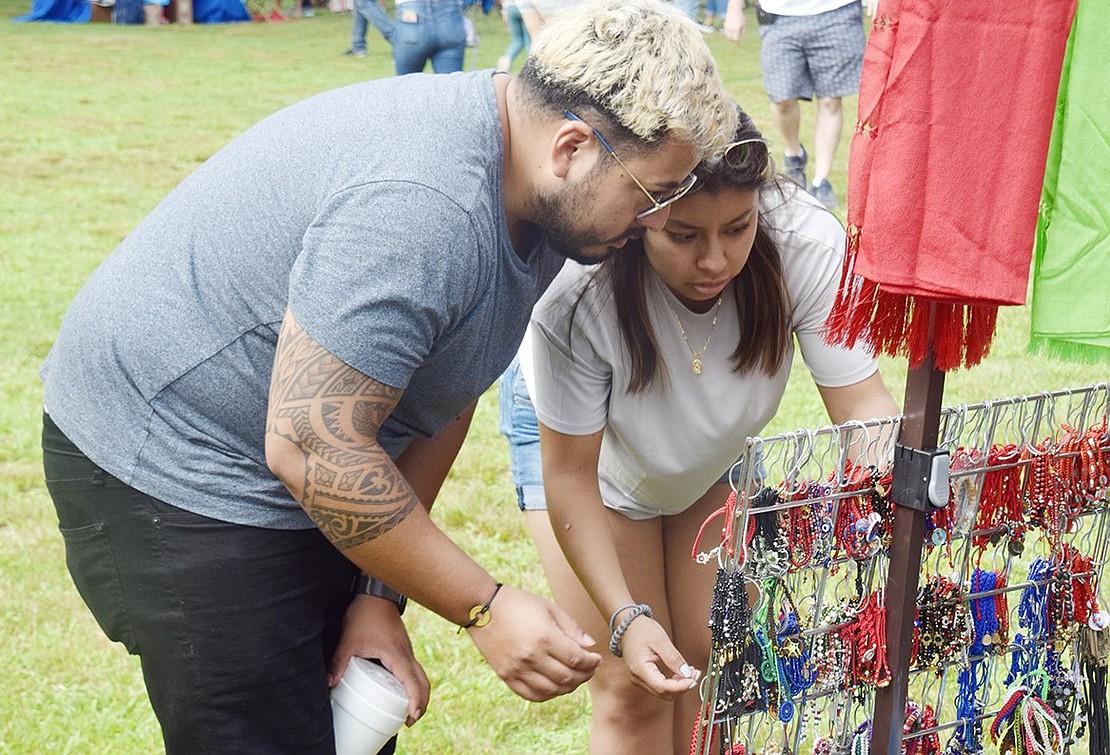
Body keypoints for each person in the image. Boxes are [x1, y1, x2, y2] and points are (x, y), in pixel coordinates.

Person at [38, 1, 737, 751]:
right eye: (653, 193)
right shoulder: (426, 207)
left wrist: (378, 598)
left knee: (349, 723)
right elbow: (313, 446)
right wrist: (484, 606)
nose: (658, 219)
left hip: (292, 446)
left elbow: (445, 389)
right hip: (171, 463)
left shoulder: (537, 188)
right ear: (571, 147)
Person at [499, 108, 899, 753]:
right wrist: (626, 618)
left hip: (708, 458)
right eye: (682, 234)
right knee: (634, 683)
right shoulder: (575, 297)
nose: (714, 260)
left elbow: (861, 404)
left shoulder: (808, 243)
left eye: (737, 228)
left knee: (704, 661)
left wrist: (894, 500)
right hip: (588, 467)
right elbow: (571, 475)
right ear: (640, 215)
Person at [722, 0, 876, 210]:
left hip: (836, 11)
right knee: (782, 100)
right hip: (779, 15)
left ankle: (821, 181)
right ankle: (794, 155)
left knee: (831, 101)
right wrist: (734, 9)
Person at [496, 0, 529, 73]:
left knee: (517, 40)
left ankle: (505, 63)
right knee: (529, 40)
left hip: (510, 8)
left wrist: (504, 12)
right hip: (526, 8)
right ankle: (531, 65)